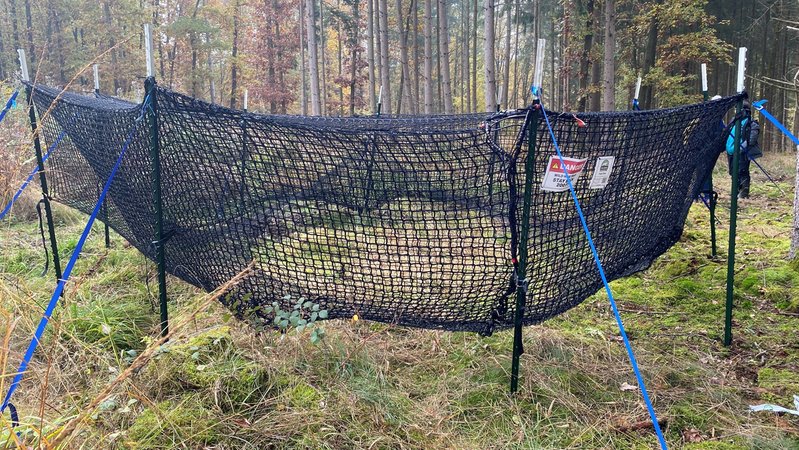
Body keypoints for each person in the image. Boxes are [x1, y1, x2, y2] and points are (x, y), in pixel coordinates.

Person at [726, 101, 762, 199]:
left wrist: (742, 147)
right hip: (731, 152)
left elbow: (752, 138)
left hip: (742, 152)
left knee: (742, 171)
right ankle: (735, 190)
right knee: (733, 171)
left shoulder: (752, 123)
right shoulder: (734, 121)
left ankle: (743, 193)